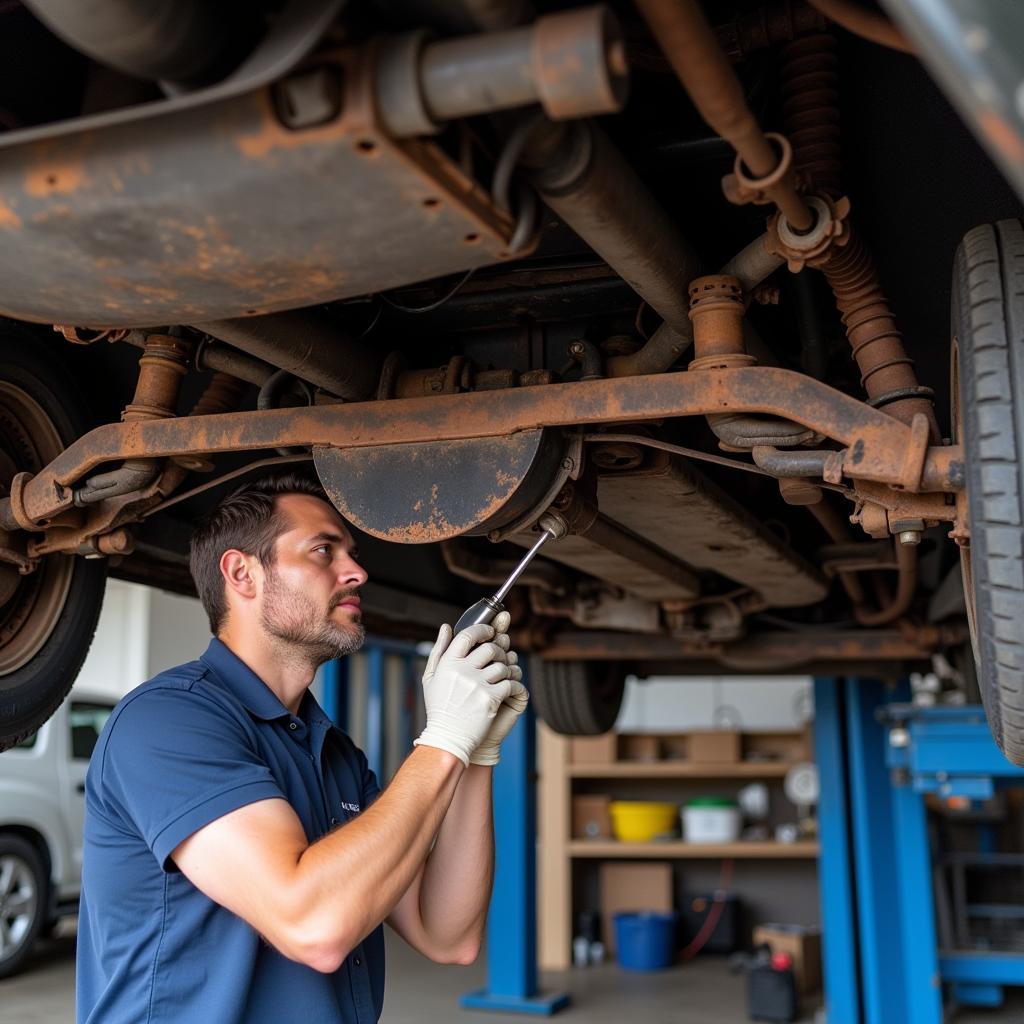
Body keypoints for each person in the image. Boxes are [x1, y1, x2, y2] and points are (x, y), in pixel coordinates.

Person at [76, 472, 528, 1024]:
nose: (357, 571)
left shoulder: (333, 753)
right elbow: (311, 925)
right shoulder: (167, 721)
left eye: (352, 553)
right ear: (242, 574)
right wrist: (444, 740)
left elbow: (447, 934)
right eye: (323, 550)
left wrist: (474, 753)